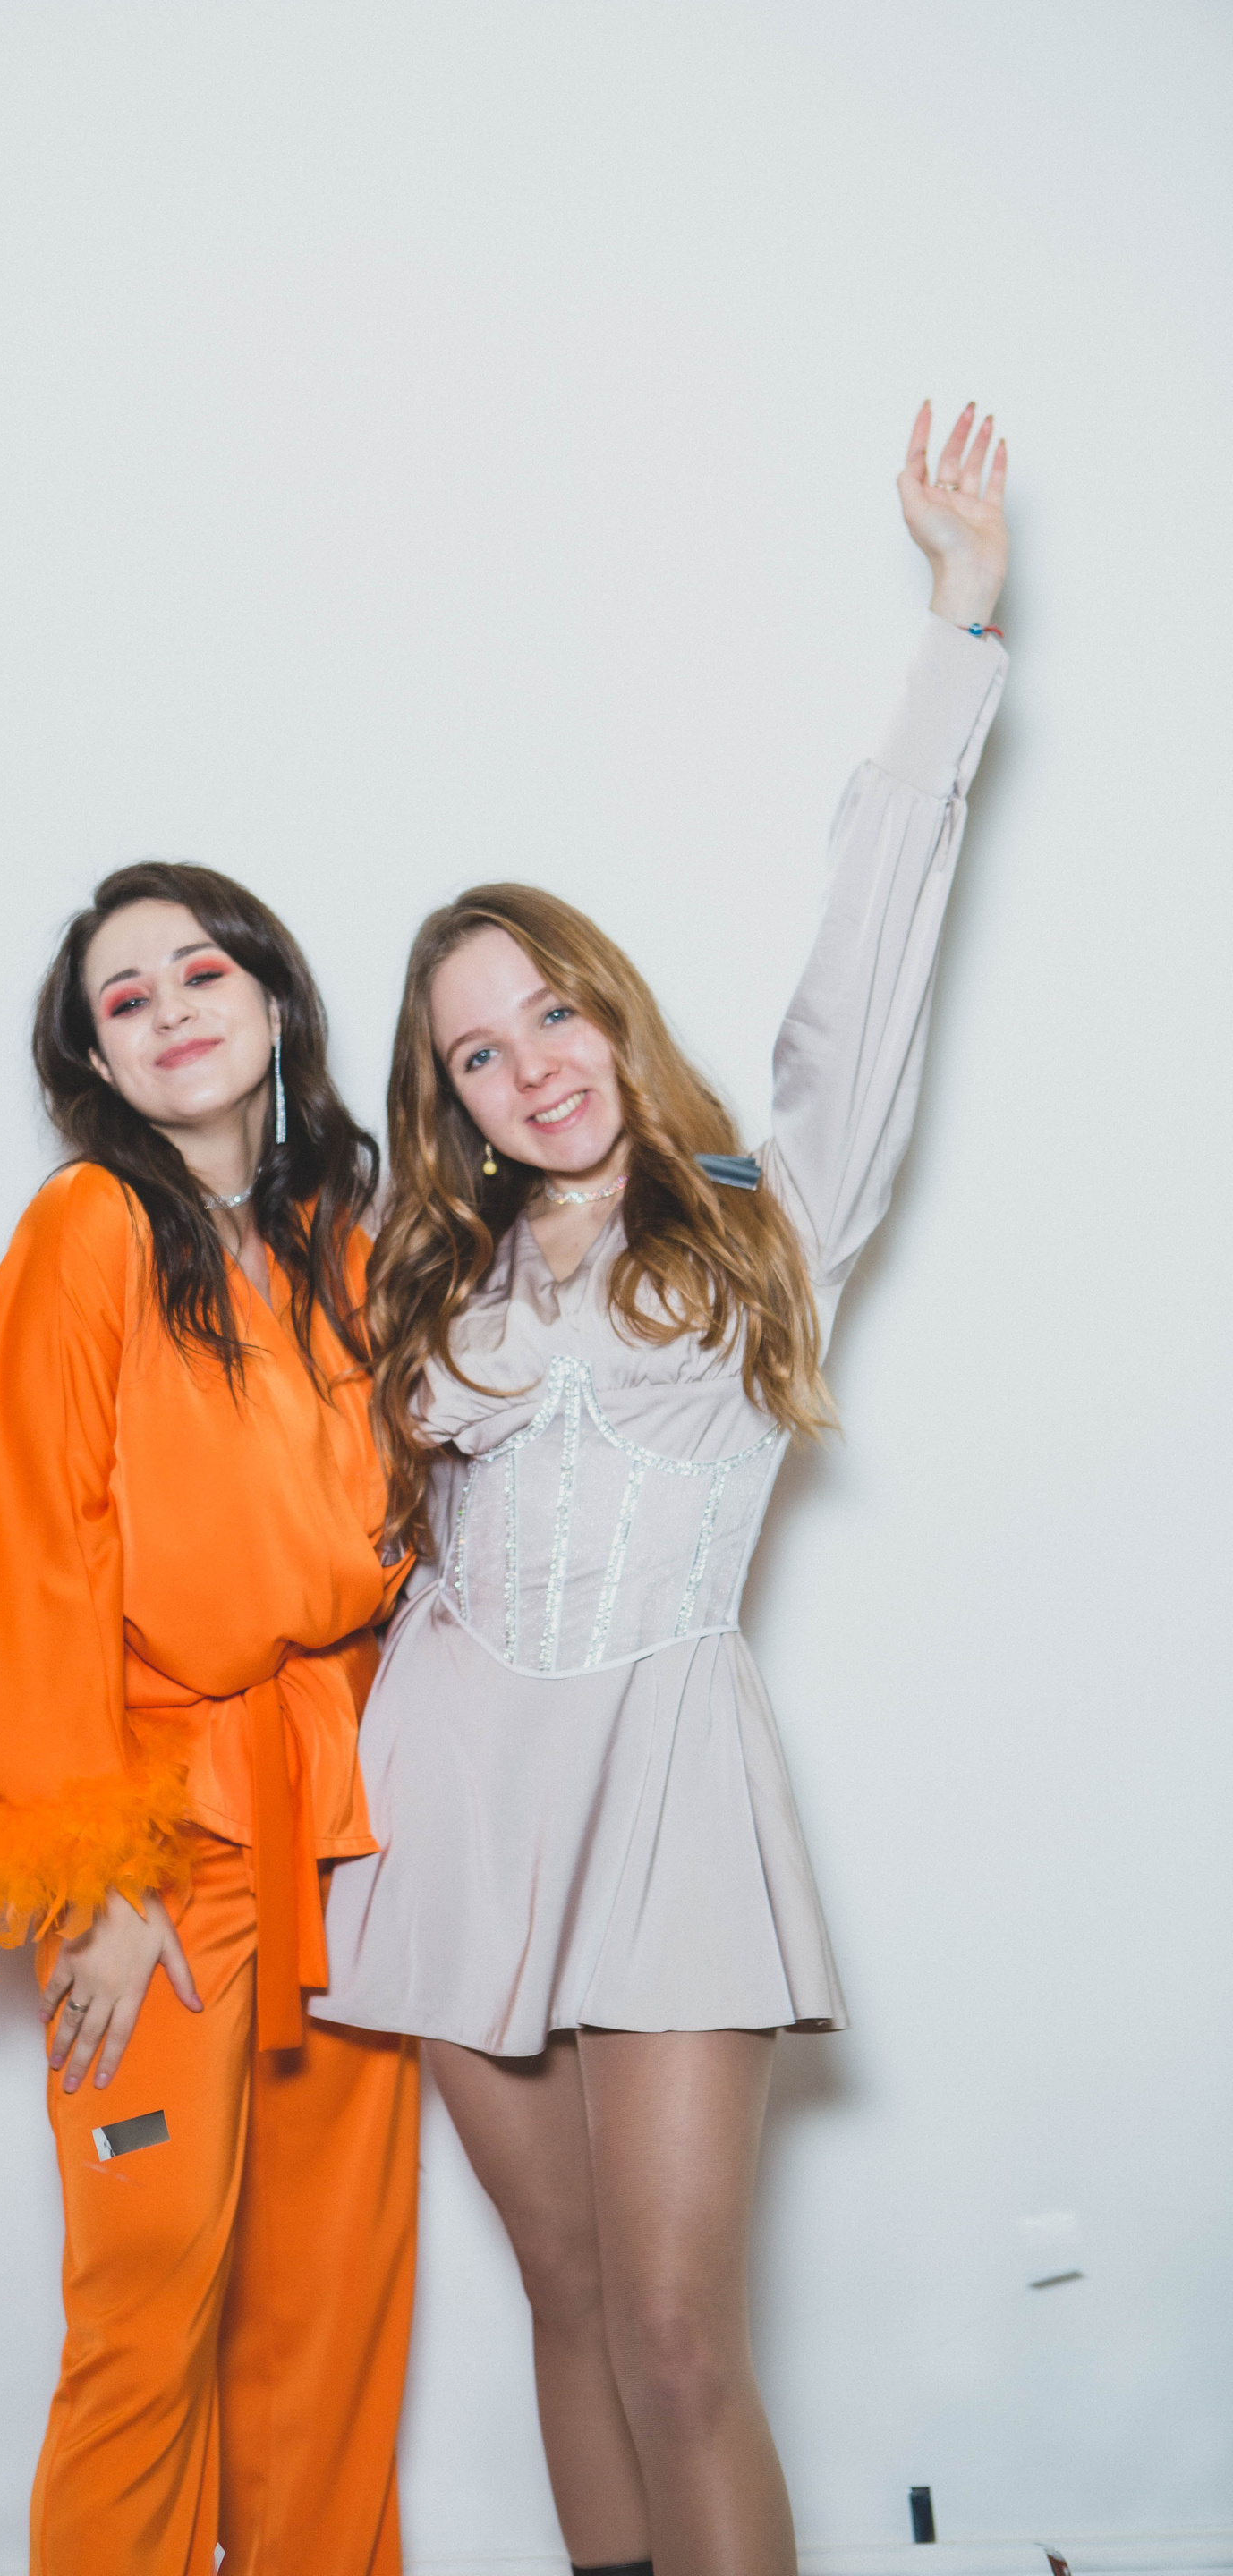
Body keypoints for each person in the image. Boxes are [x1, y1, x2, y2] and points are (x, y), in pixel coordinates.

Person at [321, 402, 1010, 2576]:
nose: (531, 1068)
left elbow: (870, 965)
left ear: (609, 1011)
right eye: (477, 1051)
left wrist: (958, 623)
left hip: (671, 1793)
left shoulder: (758, 1217)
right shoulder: (422, 1281)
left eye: (552, 1015)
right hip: (448, 1799)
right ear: (450, 1099)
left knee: (682, 2334)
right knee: (564, 2294)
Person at [0, 862, 419, 2576]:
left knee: (331, 2307)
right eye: (128, 999)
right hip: (166, 1834)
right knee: (144, 2305)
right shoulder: (91, 1228)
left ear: (273, 1002)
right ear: (97, 1061)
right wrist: (95, 1879)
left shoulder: (340, 1241)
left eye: (202, 974)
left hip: (344, 1823)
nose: (172, 1011)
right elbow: (0, 1542)